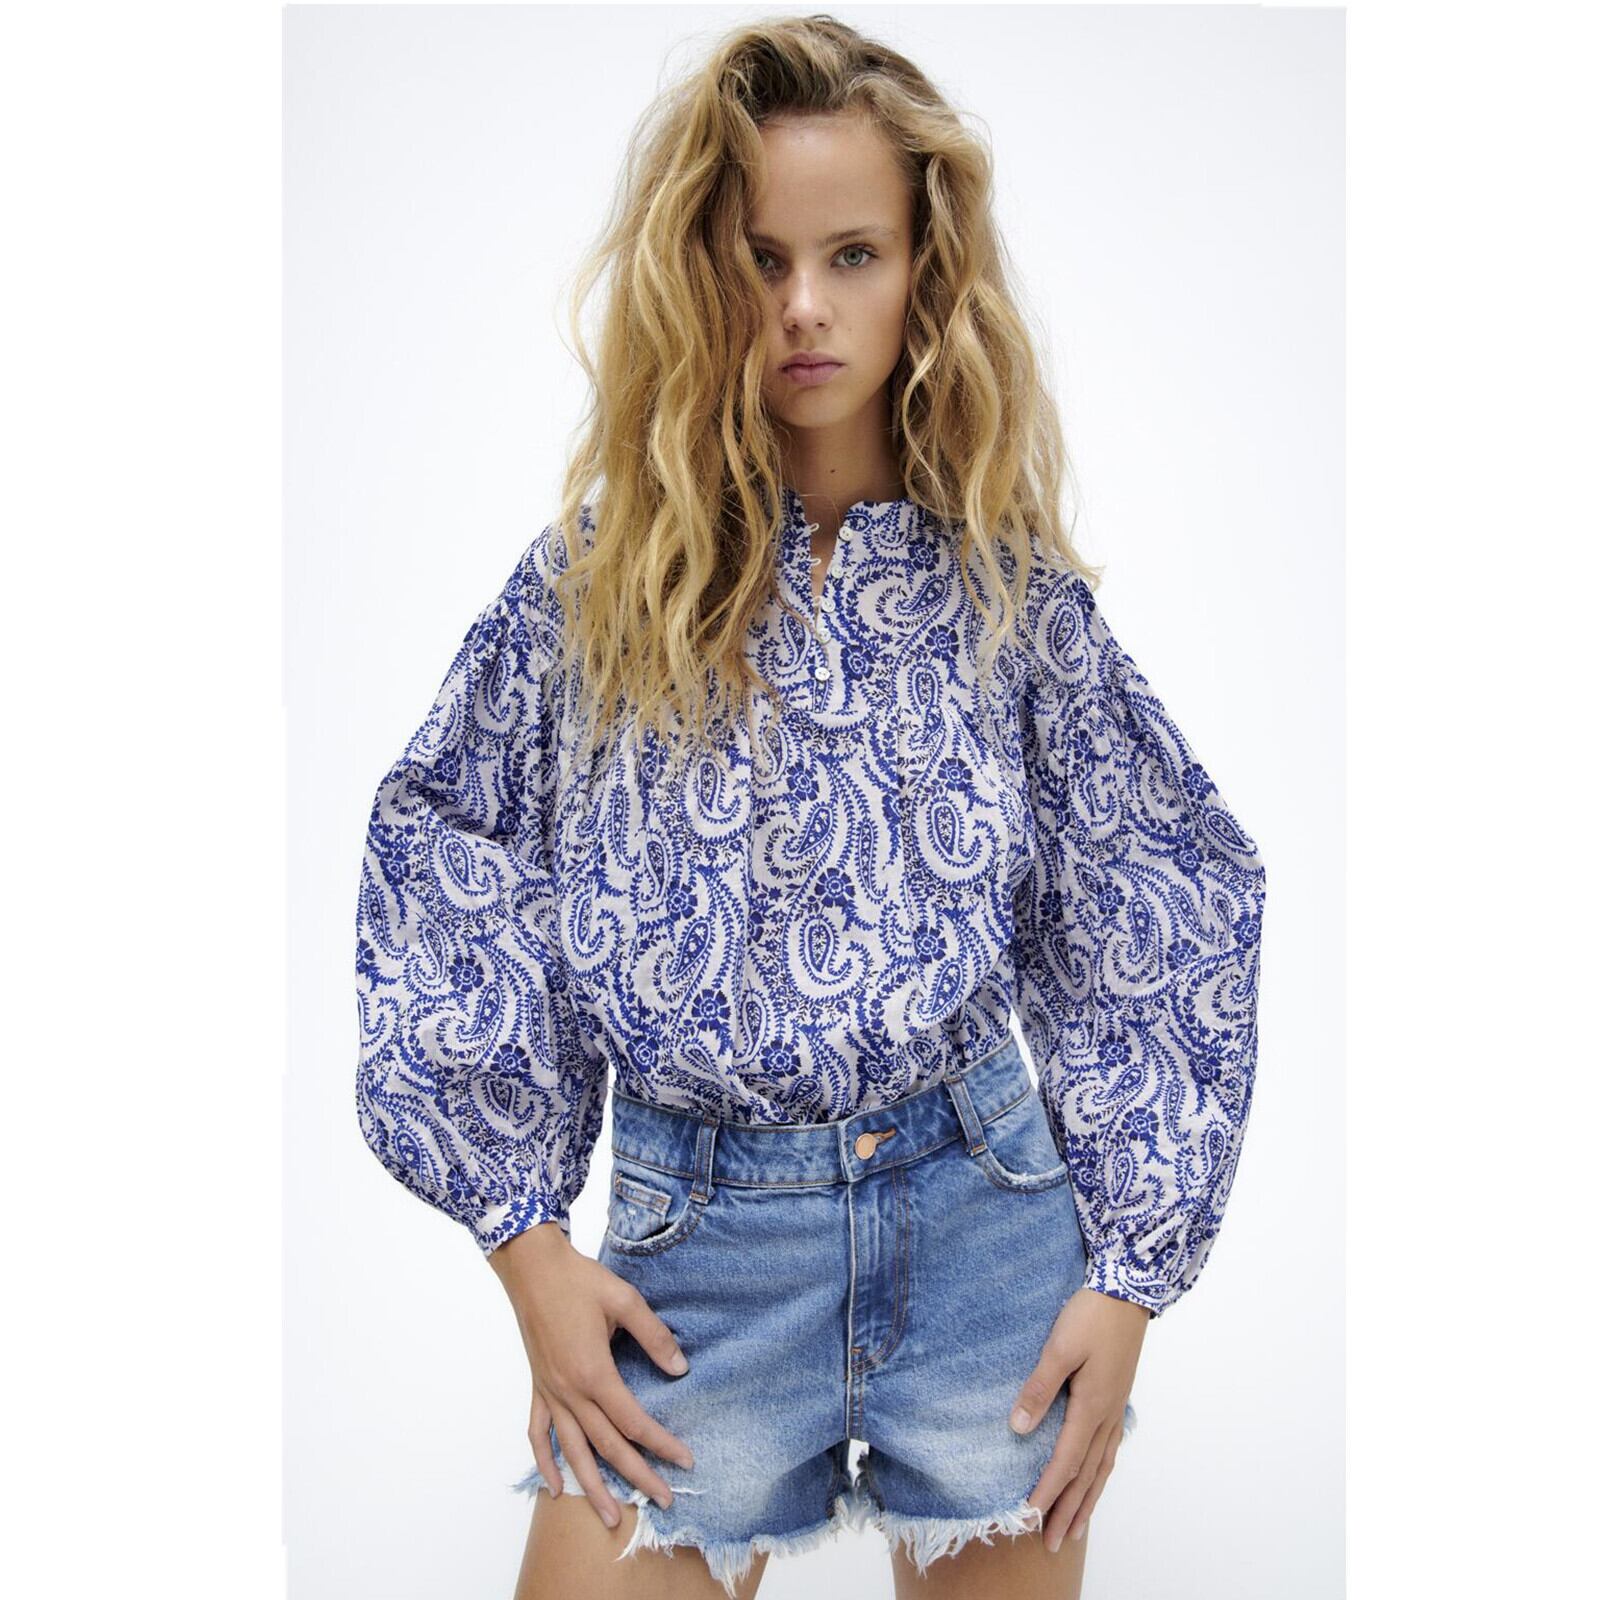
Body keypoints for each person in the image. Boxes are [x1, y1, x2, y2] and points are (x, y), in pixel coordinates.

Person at [352, 15, 1267, 1600]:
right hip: (697, 1255)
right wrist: (528, 1252)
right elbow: (443, 845)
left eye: (853, 254)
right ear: (700, 276)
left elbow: (1166, 885)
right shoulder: (600, 585)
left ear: (925, 274)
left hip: (985, 1233)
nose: (803, 306)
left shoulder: (1008, 595)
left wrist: (1130, 1279)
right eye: (759, 258)